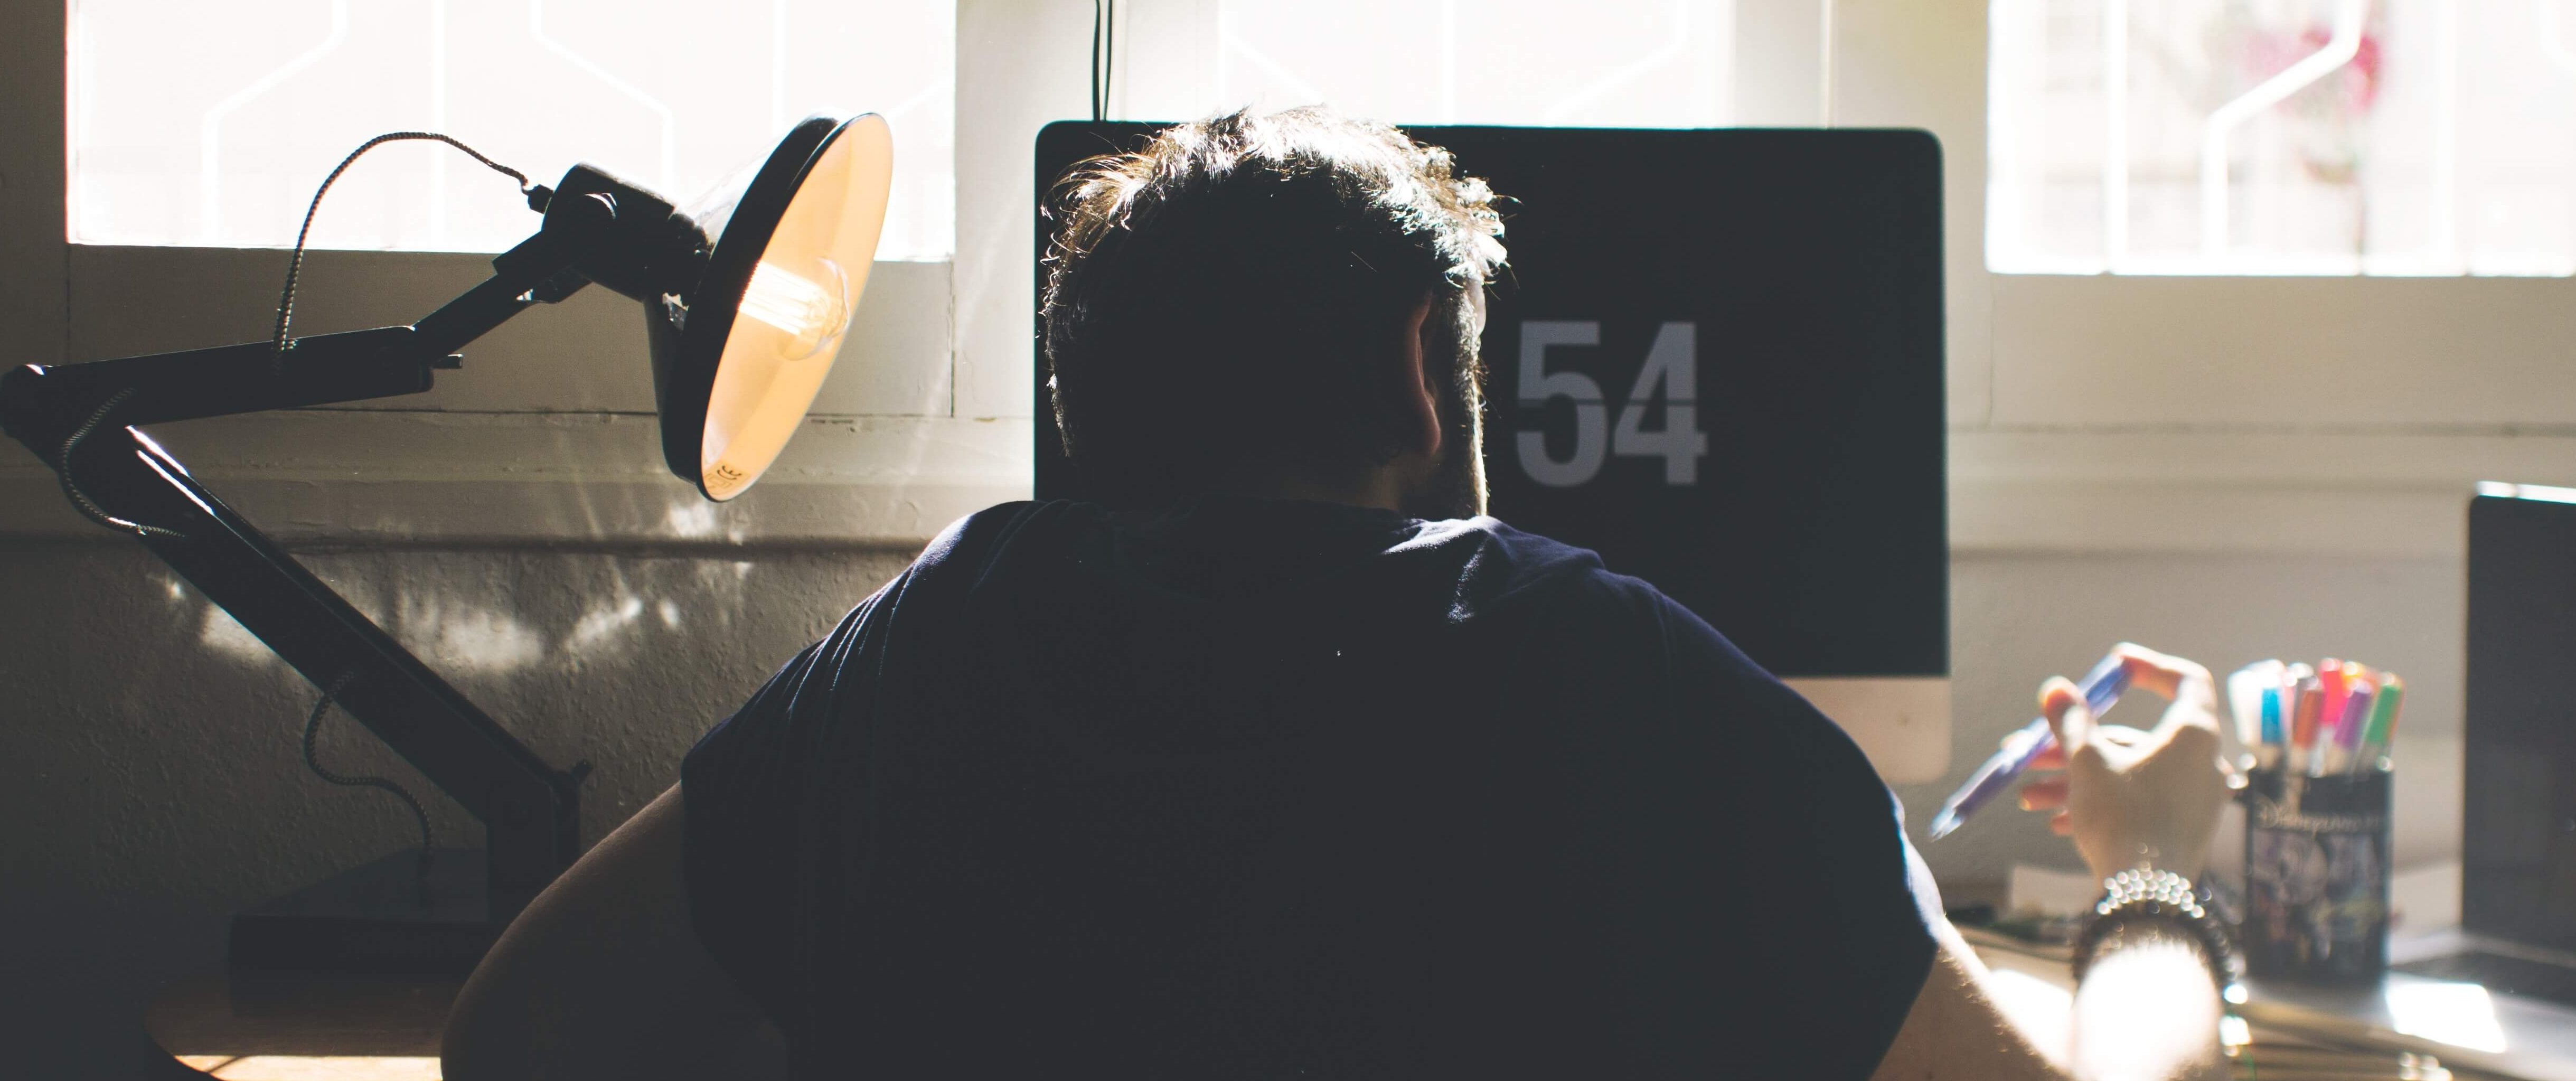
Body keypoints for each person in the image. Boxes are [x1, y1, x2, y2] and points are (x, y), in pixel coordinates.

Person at [441, 108, 2234, 1080]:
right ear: (1418, 376)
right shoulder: (1602, 670)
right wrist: (2155, 885)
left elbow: (512, 1045)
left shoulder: (931, 641)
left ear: (1094, 407)